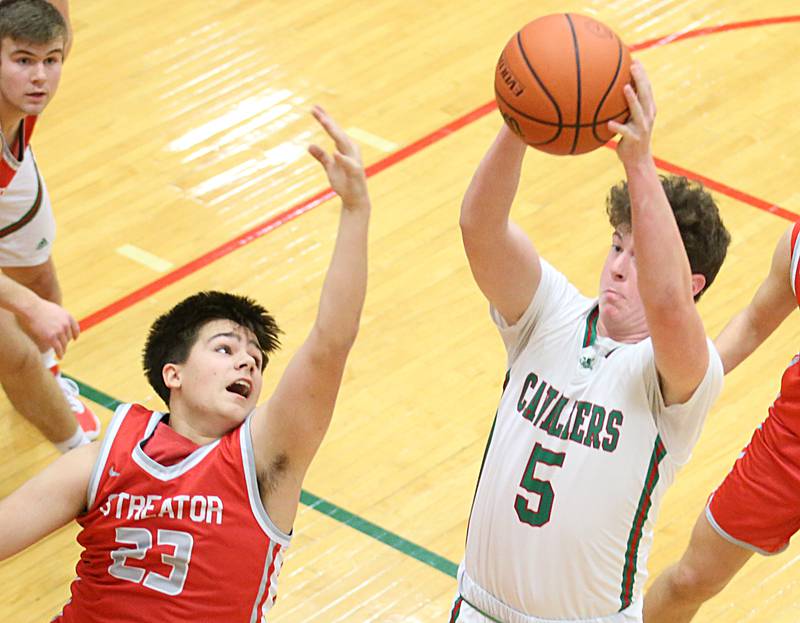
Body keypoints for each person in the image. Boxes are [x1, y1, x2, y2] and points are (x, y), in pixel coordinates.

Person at [0, 106, 371, 621]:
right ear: (172, 374)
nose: (246, 364)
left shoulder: (264, 459)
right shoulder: (105, 457)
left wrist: (355, 211)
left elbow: (332, 341)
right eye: (225, 349)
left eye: (255, 361)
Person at [451, 61, 730, 623]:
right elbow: (479, 226)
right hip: (478, 606)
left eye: (640, 256)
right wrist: (520, 117)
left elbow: (671, 306)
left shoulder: (676, 374)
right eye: (617, 246)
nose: (621, 268)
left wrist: (639, 161)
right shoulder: (549, 312)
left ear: (691, 281)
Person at [643, 223, 800, 622]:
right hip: (789, 447)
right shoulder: (797, 244)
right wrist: (686, 383)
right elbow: (754, 321)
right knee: (691, 579)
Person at [0, 0, 98, 452]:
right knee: (12, 351)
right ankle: (80, 463)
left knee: (40, 277)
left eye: (50, 61)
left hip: (12, 172)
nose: (40, 76)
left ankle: (49, 380)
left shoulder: (32, 79)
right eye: (23, 61)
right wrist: (29, 309)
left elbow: (57, 32)